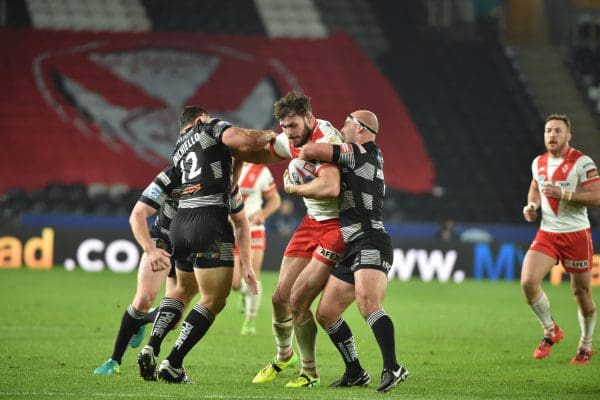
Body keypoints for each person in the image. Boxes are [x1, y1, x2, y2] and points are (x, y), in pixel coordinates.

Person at [137, 106, 276, 383]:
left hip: (181, 222)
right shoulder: (209, 127)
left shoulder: (179, 149)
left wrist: (246, 263)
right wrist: (270, 136)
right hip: (210, 222)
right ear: (201, 119)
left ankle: (151, 345)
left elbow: (235, 162)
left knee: (183, 290)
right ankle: (173, 362)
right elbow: (245, 141)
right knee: (214, 299)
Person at [298, 110, 409, 393]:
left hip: (371, 239)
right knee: (326, 313)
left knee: (368, 302)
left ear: (361, 129)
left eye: (347, 121)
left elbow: (309, 149)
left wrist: (319, 128)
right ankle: (355, 371)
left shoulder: (356, 150)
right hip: (353, 243)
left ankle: (393, 367)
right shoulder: (370, 153)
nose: (342, 125)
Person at [243, 91, 344, 388]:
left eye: (293, 126)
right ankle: (283, 356)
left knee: (299, 302)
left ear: (309, 118)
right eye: (284, 126)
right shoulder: (292, 138)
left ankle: (310, 372)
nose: (288, 132)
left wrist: (294, 190)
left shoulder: (325, 140)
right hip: (311, 223)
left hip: (338, 226)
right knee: (279, 299)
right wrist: (235, 151)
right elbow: (263, 149)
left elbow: (331, 187)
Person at [521, 113, 599, 365]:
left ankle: (586, 344)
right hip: (548, 233)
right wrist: (531, 205)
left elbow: (597, 196)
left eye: (557, 131)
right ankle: (551, 330)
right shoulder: (538, 162)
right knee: (528, 282)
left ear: (568, 135)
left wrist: (563, 193)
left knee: (581, 292)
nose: (552, 135)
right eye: (548, 130)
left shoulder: (582, 162)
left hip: (576, 235)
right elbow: (536, 185)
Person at [93, 167, 181, 375]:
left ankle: (143, 320)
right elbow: (137, 214)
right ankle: (113, 361)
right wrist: (150, 250)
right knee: (143, 299)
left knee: (174, 320)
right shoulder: (170, 176)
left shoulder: (214, 177)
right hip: (163, 241)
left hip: (190, 248)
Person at [231, 162, 281, 335]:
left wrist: (262, 214)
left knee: (254, 273)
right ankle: (244, 293)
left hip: (253, 230)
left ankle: (250, 321)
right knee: (234, 282)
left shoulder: (261, 171)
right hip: (229, 230)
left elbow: (275, 199)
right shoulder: (225, 166)